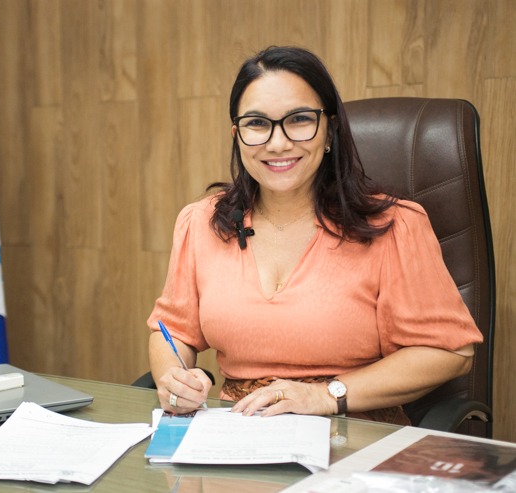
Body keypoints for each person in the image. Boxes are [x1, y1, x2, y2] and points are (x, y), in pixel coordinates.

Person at [146, 46, 483, 425]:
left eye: (300, 119)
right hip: (239, 433)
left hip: (353, 431)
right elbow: (172, 331)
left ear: (330, 131)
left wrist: (324, 395)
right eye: (257, 123)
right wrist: (172, 377)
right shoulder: (202, 222)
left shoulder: (393, 225)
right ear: (237, 136)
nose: (277, 143)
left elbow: (450, 352)